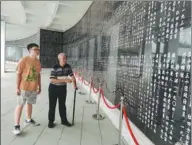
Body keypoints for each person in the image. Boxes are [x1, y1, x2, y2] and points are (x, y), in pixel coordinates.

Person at [13, 43, 41, 135]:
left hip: (33, 88)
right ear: (30, 50)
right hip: (23, 87)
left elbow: (38, 75)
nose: (37, 51)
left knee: (30, 104)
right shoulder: (24, 60)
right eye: (35, 49)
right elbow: (18, 74)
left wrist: (39, 86)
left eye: (38, 49)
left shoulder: (38, 62)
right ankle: (16, 126)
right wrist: (17, 88)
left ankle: (28, 118)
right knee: (20, 105)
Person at [48, 53, 77, 128]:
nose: (65, 59)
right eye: (63, 58)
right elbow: (52, 80)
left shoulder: (68, 67)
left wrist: (75, 85)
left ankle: (64, 121)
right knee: (52, 105)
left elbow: (72, 77)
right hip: (53, 88)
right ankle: (51, 122)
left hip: (62, 89)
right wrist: (65, 80)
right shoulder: (55, 67)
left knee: (62, 105)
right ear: (59, 59)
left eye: (65, 58)